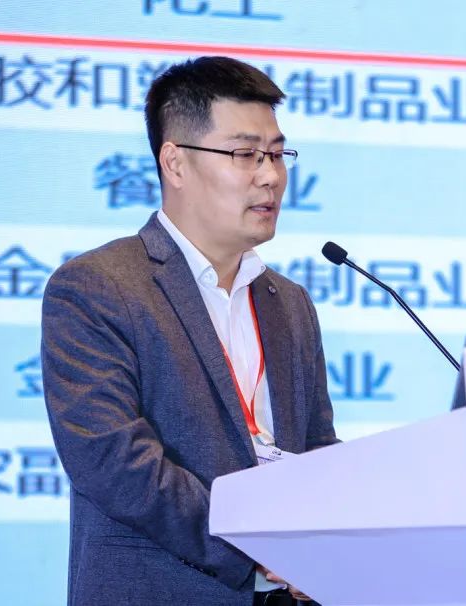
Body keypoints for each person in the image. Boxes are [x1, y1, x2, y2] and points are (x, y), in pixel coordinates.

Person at [41, 56, 338, 606]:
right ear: (174, 162)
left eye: (277, 154)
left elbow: (318, 451)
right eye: (246, 154)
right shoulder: (98, 287)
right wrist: (256, 549)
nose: (271, 176)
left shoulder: (291, 303)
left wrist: (334, 541)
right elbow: (116, 463)